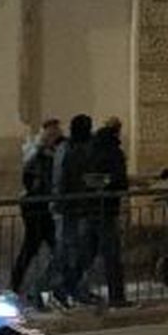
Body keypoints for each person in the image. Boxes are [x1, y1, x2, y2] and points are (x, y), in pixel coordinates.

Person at [80, 116, 130, 307]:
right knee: (112, 255)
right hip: (107, 208)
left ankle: (74, 289)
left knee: (88, 253)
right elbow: (119, 179)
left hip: (90, 207)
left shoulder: (91, 149)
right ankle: (117, 297)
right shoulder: (113, 151)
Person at [11, 119, 62, 301]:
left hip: (40, 204)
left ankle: (28, 287)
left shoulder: (44, 153)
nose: (57, 136)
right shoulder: (38, 154)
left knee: (43, 247)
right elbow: (35, 180)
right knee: (34, 246)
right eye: (54, 133)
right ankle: (28, 287)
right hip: (37, 205)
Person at [50, 114, 95, 305]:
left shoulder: (72, 148)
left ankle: (73, 288)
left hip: (76, 206)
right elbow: (64, 178)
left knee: (78, 251)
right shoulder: (71, 149)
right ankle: (57, 287)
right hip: (72, 207)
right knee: (68, 252)